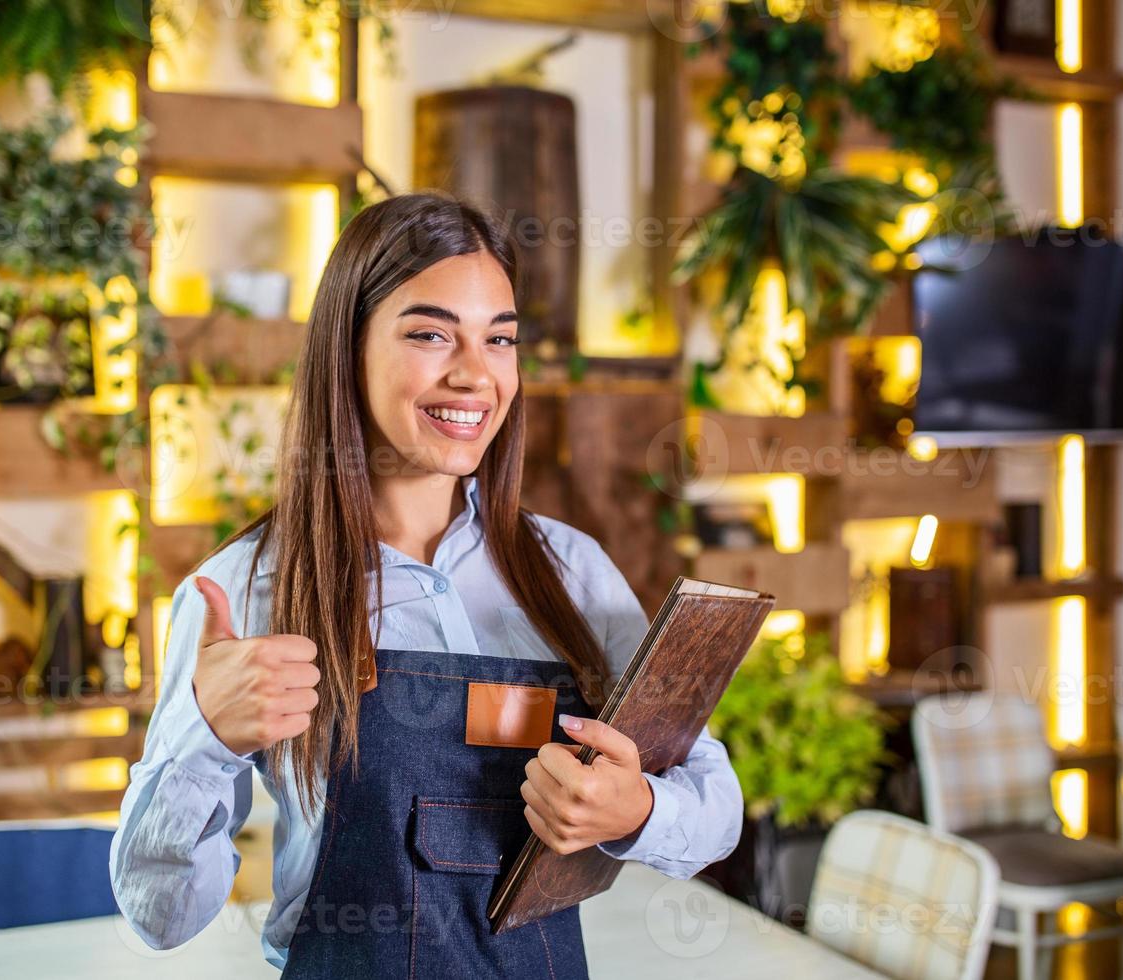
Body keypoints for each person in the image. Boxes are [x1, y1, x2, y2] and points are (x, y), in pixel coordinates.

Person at [109, 192, 743, 977]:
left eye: (499, 339)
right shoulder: (244, 591)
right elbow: (159, 920)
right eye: (431, 334)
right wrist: (203, 739)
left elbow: (716, 804)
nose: (475, 375)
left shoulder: (573, 575)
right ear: (349, 348)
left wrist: (637, 810)